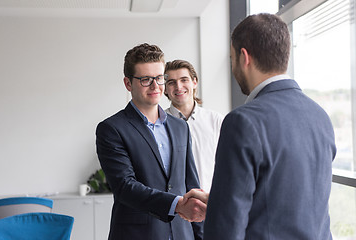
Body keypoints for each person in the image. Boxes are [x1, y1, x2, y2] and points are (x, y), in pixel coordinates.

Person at [199, 13, 336, 239]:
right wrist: (218, 201)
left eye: (232, 58)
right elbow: (289, 198)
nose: (233, 67)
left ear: (244, 57)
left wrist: (221, 207)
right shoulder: (320, 115)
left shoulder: (242, 121)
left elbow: (226, 228)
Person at [96, 43, 205, 240]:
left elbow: (191, 185)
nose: (156, 86)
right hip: (138, 234)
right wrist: (177, 205)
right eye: (146, 79)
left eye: (160, 78)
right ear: (128, 84)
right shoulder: (111, 129)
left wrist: (201, 235)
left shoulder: (180, 127)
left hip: (182, 234)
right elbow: (124, 187)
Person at [164, 59, 224, 192]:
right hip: (174, 205)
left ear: (194, 82)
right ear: (165, 88)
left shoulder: (216, 121)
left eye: (184, 80)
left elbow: (229, 165)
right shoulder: (158, 123)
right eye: (171, 82)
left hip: (210, 202)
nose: (178, 87)